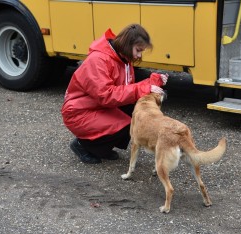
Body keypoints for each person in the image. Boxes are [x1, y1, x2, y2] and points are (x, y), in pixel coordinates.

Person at [61, 23, 168, 164]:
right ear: (127, 44)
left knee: (137, 112)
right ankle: (83, 145)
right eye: (138, 50)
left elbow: (125, 90)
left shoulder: (122, 57)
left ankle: (100, 148)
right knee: (129, 123)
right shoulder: (98, 60)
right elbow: (106, 95)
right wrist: (145, 87)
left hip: (96, 106)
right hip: (79, 112)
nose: (139, 55)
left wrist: (154, 82)